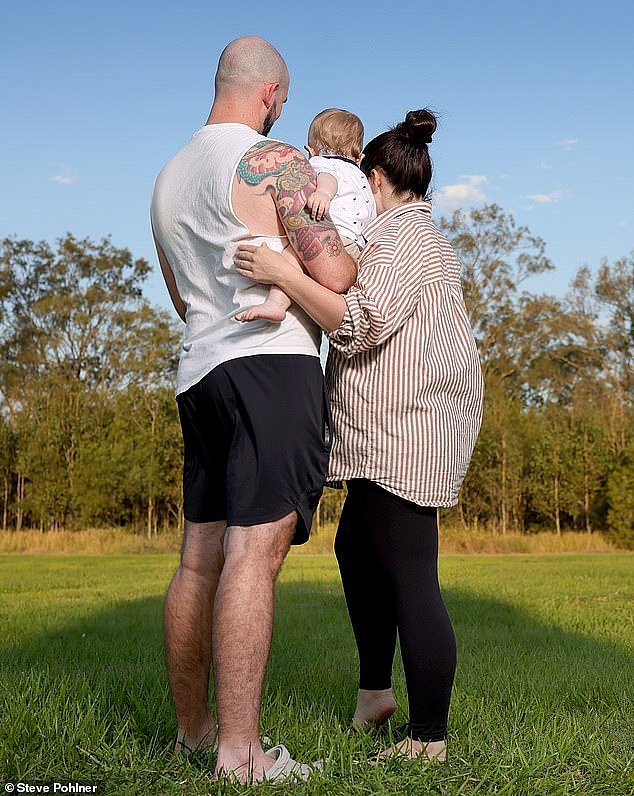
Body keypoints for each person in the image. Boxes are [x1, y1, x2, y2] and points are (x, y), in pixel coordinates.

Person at [234, 108, 484, 764]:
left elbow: (362, 323)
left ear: (375, 179)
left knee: (411, 576)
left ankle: (428, 738)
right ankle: (376, 694)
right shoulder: (401, 236)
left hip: (408, 432)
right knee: (356, 549)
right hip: (387, 429)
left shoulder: (405, 238)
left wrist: (285, 276)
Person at [150, 36, 357, 783]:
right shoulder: (273, 161)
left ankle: (194, 733)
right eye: (285, 102)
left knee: (197, 558)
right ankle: (242, 755)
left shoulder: (167, 177)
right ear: (271, 94)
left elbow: (181, 297)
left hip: (199, 370)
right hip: (270, 368)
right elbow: (333, 267)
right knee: (252, 554)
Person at [236, 108, 375, 323]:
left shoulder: (322, 162)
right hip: (358, 247)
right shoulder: (362, 178)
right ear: (360, 156)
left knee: (295, 255)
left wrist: (322, 193)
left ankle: (276, 303)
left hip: (335, 237)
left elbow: (328, 178)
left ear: (311, 149)